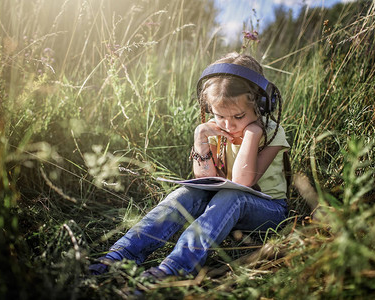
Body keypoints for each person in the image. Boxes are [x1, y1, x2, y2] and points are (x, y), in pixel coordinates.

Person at [89, 52, 290, 280]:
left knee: (232, 197)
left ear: (262, 104)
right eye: (219, 115)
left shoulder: (271, 133)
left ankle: (175, 269)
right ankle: (119, 255)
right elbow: (205, 178)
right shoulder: (216, 128)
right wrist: (201, 136)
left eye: (239, 116)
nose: (228, 124)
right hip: (224, 205)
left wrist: (252, 133)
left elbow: (243, 182)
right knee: (187, 192)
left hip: (269, 211)